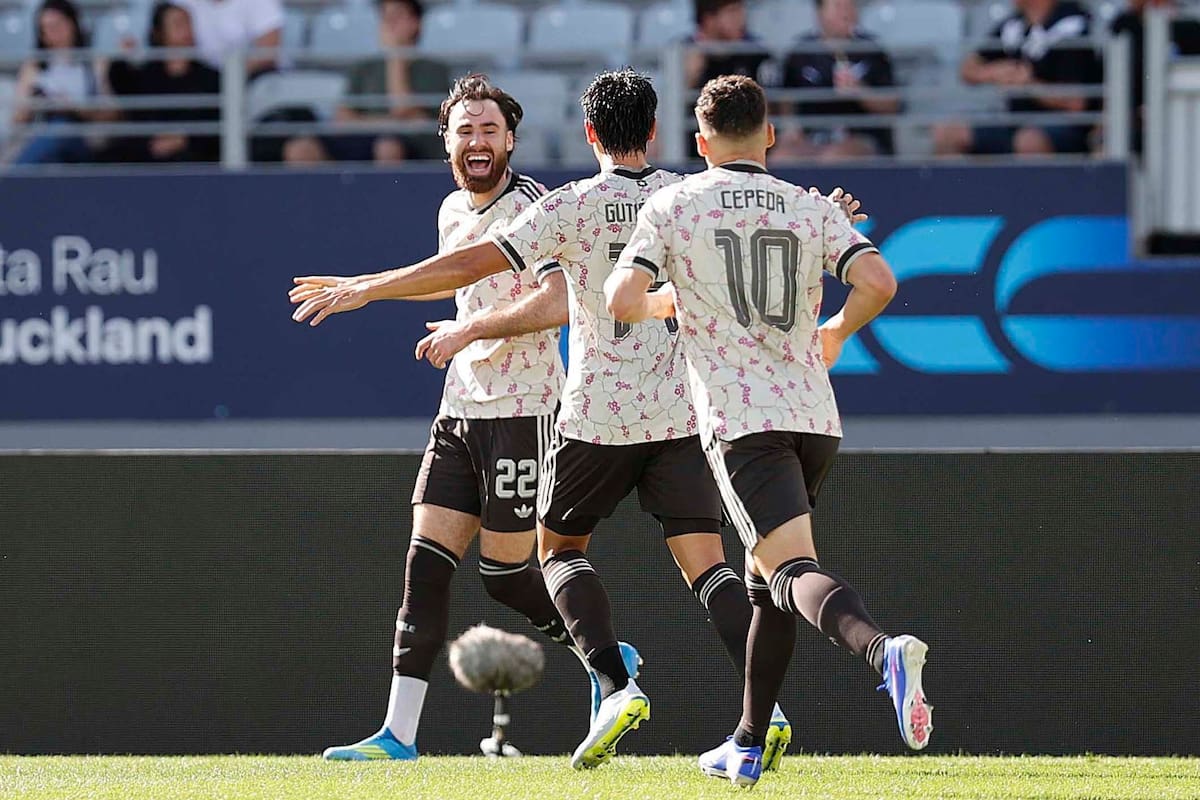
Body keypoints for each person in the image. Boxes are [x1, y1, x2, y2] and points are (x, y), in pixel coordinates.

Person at [606, 75, 932, 788]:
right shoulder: (807, 207)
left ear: (700, 142)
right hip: (814, 417)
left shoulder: (674, 203)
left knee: (788, 570)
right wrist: (839, 329)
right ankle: (747, 743)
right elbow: (878, 281)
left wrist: (674, 300)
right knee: (764, 583)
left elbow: (621, 300)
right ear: (771, 135)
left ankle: (885, 652)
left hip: (741, 419)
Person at [292, 74, 619, 762]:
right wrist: (373, 293)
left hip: (524, 410)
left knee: (506, 577)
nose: (477, 141)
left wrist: (467, 332)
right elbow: (449, 275)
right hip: (460, 412)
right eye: (465, 130)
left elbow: (560, 303)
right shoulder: (450, 209)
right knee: (425, 567)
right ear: (446, 140)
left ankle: (607, 657)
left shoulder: (534, 207)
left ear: (511, 140)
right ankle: (398, 735)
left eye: (489, 130)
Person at [933, 0, 1101, 157]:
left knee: (1028, 141)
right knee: (948, 134)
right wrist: (996, 72)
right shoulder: (1014, 25)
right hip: (1014, 120)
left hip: (1063, 125)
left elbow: (1076, 103)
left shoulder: (1074, 26)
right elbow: (967, 70)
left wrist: (1028, 85)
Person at [775, 0, 899, 161]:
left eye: (850, 6)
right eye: (838, 6)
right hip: (812, 138)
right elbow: (787, 98)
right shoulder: (800, 52)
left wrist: (860, 92)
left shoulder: (872, 50)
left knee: (834, 157)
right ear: (820, 13)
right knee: (782, 157)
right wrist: (790, 128)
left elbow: (892, 106)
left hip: (860, 137)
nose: (845, 12)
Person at [104, 2, 221, 163]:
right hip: (147, 149)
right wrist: (122, 58)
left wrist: (184, 139)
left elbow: (214, 125)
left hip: (191, 154)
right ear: (158, 32)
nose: (186, 29)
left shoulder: (211, 77)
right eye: (177, 24)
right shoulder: (145, 75)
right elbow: (123, 88)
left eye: (188, 23)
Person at [9, 0, 112, 165]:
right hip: (43, 138)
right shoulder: (34, 66)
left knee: (61, 127)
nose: (53, 32)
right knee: (53, 156)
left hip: (83, 138)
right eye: (46, 28)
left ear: (73, 24)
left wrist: (75, 108)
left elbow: (113, 115)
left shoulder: (94, 63)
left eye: (58, 25)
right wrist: (34, 102)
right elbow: (17, 119)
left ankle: (9, 182)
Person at [1108, 0, 1200, 154]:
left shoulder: (1189, 25)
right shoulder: (1124, 26)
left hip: (1184, 121)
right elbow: (1116, 84)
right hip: (1134, 120)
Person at [685, 0, 775, 90]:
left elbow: (778, 100)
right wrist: (690, 77)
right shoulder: (680, 55)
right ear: (709, 19)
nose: (741, 18)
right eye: (732, 11)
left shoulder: (755, 54)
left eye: (742, 10)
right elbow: (674, 100)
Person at [178, 0, 283, 76]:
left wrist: (225, 77)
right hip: (198, 79)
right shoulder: (183, 3)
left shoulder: (261, 2)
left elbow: (268, 53)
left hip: (249, 79)